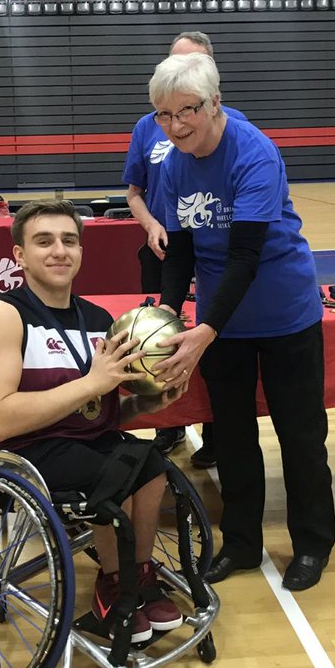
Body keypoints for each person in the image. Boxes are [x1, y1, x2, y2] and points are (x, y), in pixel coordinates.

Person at [147, 52, 335, 591]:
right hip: (222, 319)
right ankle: (242, 543)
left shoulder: (255, 154)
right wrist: (167, 313)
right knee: (230, 436)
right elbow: (179, 250)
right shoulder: (172, 164)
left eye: (187, 111)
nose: (177, 124)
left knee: (300, 436)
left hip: (283, 314)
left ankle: (312, 543)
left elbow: (244, 257)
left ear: (215, 102)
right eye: (163, 114)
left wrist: (204, 329)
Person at [0, 200, 189, 641]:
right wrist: (92, 382)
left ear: (81, 252)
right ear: (19, 255)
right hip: (22, 452)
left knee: (150, 461)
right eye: (43, 241)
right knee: (114, 471)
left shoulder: (98, 320)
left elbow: (99, 414)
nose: (58, 251)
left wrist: (144, 407)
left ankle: (136, 578)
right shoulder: (0, 316)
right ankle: (112, 584)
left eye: (69, 241)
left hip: (83, 443)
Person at [123, 30, 246, 468]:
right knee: (163, 337)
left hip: (215, 258)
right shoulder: (148, 125)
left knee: (211, 345)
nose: (176, 122)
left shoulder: (237, 129)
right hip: (168, 250)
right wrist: (154, 224)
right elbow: (134, 192)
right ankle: (168, 422)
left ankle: (213, 432)